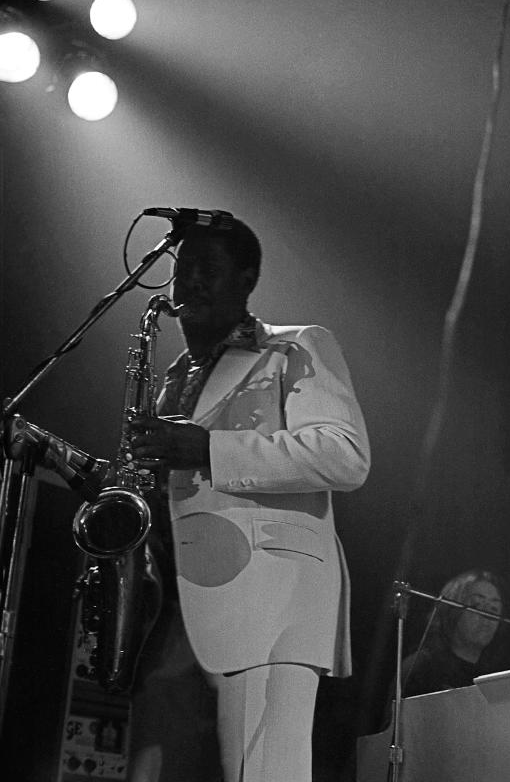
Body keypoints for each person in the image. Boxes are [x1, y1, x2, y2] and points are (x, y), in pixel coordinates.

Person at [126, 217, 370, 782]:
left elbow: (345, 455)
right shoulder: (171, 379)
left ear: (247, 279)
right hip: (175, 606)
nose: (187, 283)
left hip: (271, 598)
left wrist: (208, 449)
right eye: (180, 271)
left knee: (264, 773)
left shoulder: (298, 346)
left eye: (206, 270)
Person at [399, 569, 509, 697]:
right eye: (477, 605)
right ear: (452, 610)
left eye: (494, 609)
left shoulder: (494, 679)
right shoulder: (423, 666)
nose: (487, 616)